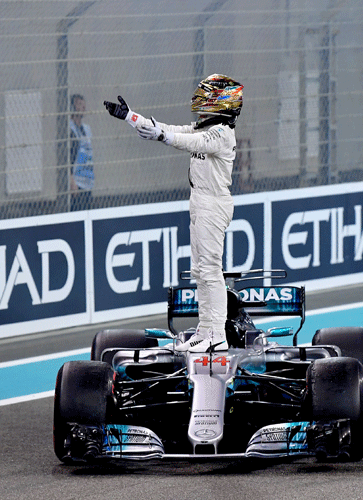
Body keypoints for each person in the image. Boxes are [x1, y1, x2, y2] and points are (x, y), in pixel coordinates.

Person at [103, 74, 243, 352]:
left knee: (210, 270)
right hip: (200, 201)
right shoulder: (206, 128)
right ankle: (205, 329)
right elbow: (167, 129)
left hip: (213, 203)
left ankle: (217, 334)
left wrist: (163, 136)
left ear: (221, 102)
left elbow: (188, 141)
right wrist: (131, 117)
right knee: (200, 271)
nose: (200, 103)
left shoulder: (222, 134)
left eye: (206, 98)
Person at [69, 94, 94, 211]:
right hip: (77, 181)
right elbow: (68, 157)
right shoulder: (70, 129)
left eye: (83, 104)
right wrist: (71, 181)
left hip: (87, 179)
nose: (83, 107)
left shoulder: (86, 129)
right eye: (79, 104)